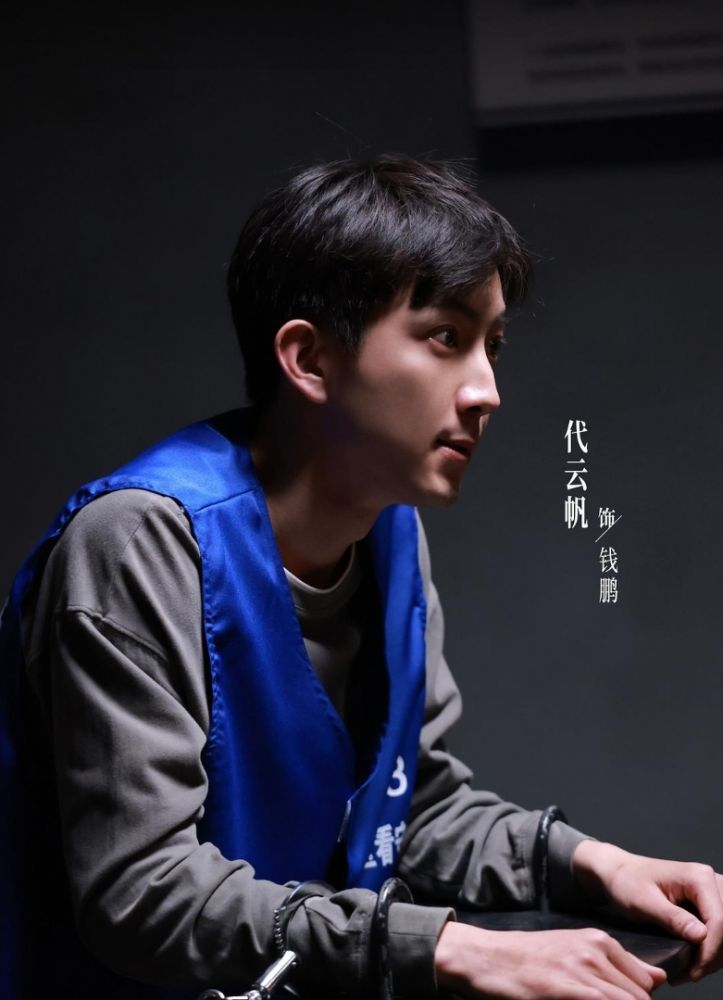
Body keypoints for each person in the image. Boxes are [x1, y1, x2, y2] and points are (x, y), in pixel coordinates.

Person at [1, 157, 722, 1000]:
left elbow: (403, 812)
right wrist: (445, 947)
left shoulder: (389, 530)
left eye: (491, 346)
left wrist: (593, 864)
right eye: (445, 337)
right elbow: (140, 894)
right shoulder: (141, 541)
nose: (487, 391)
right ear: (308, 358)